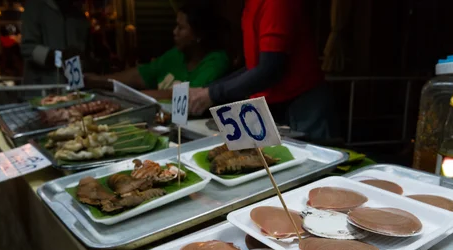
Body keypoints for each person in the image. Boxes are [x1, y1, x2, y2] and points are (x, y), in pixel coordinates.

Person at [189, 0, 340, 144]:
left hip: (303, 107)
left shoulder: (275, 3)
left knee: (311, 167)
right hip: (274, 106)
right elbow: (253, 66)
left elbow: (270, 69)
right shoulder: (251, 5)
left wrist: (213, 93)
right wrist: (207, 90)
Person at [86, 4, 230, 100]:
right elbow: (140, 75)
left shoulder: (216, 62)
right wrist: (98, 80)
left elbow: (185, 96)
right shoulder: (176, 55)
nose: (174, 32)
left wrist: (135, 97)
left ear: (198, 35)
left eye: (181, 28)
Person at [20, 0, 91, 84]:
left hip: (72, 88)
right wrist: (58, 55)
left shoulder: (78, 15)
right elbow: (27, 48)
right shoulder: (35, 6)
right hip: (40, 89)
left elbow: (80, 52)